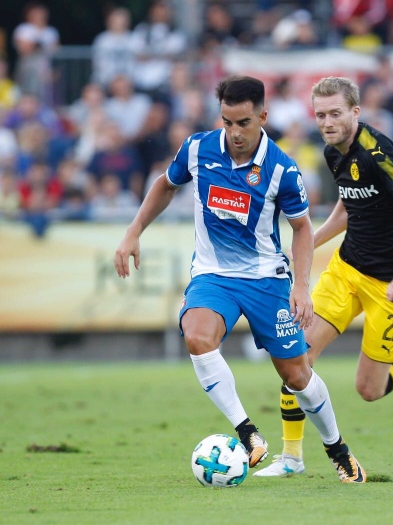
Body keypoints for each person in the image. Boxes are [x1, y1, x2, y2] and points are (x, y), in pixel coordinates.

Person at [114, 75, 365, 483]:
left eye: (243, 123)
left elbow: (302, 229)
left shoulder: (282, 169)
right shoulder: (198, 148)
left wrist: (301, 286)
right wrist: (133, 231)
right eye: (227, 122)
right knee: (196, 335)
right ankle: (249, 435)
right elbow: (166, 185)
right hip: (214, 275)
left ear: (263, 117)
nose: (234, 133)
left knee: (297, 376)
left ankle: (338, 449)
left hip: (267, 280)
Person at [255, 76, 393, 477]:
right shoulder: (332, 151)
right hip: (346, 271)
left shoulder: (377, 153)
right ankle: (291, 457)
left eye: (335, 113)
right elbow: (348, 208)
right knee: (296, 356)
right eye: (320, 114)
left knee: (370, 389)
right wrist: (308, 241)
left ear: (355, 113)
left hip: (392, 286)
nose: (326, 122)